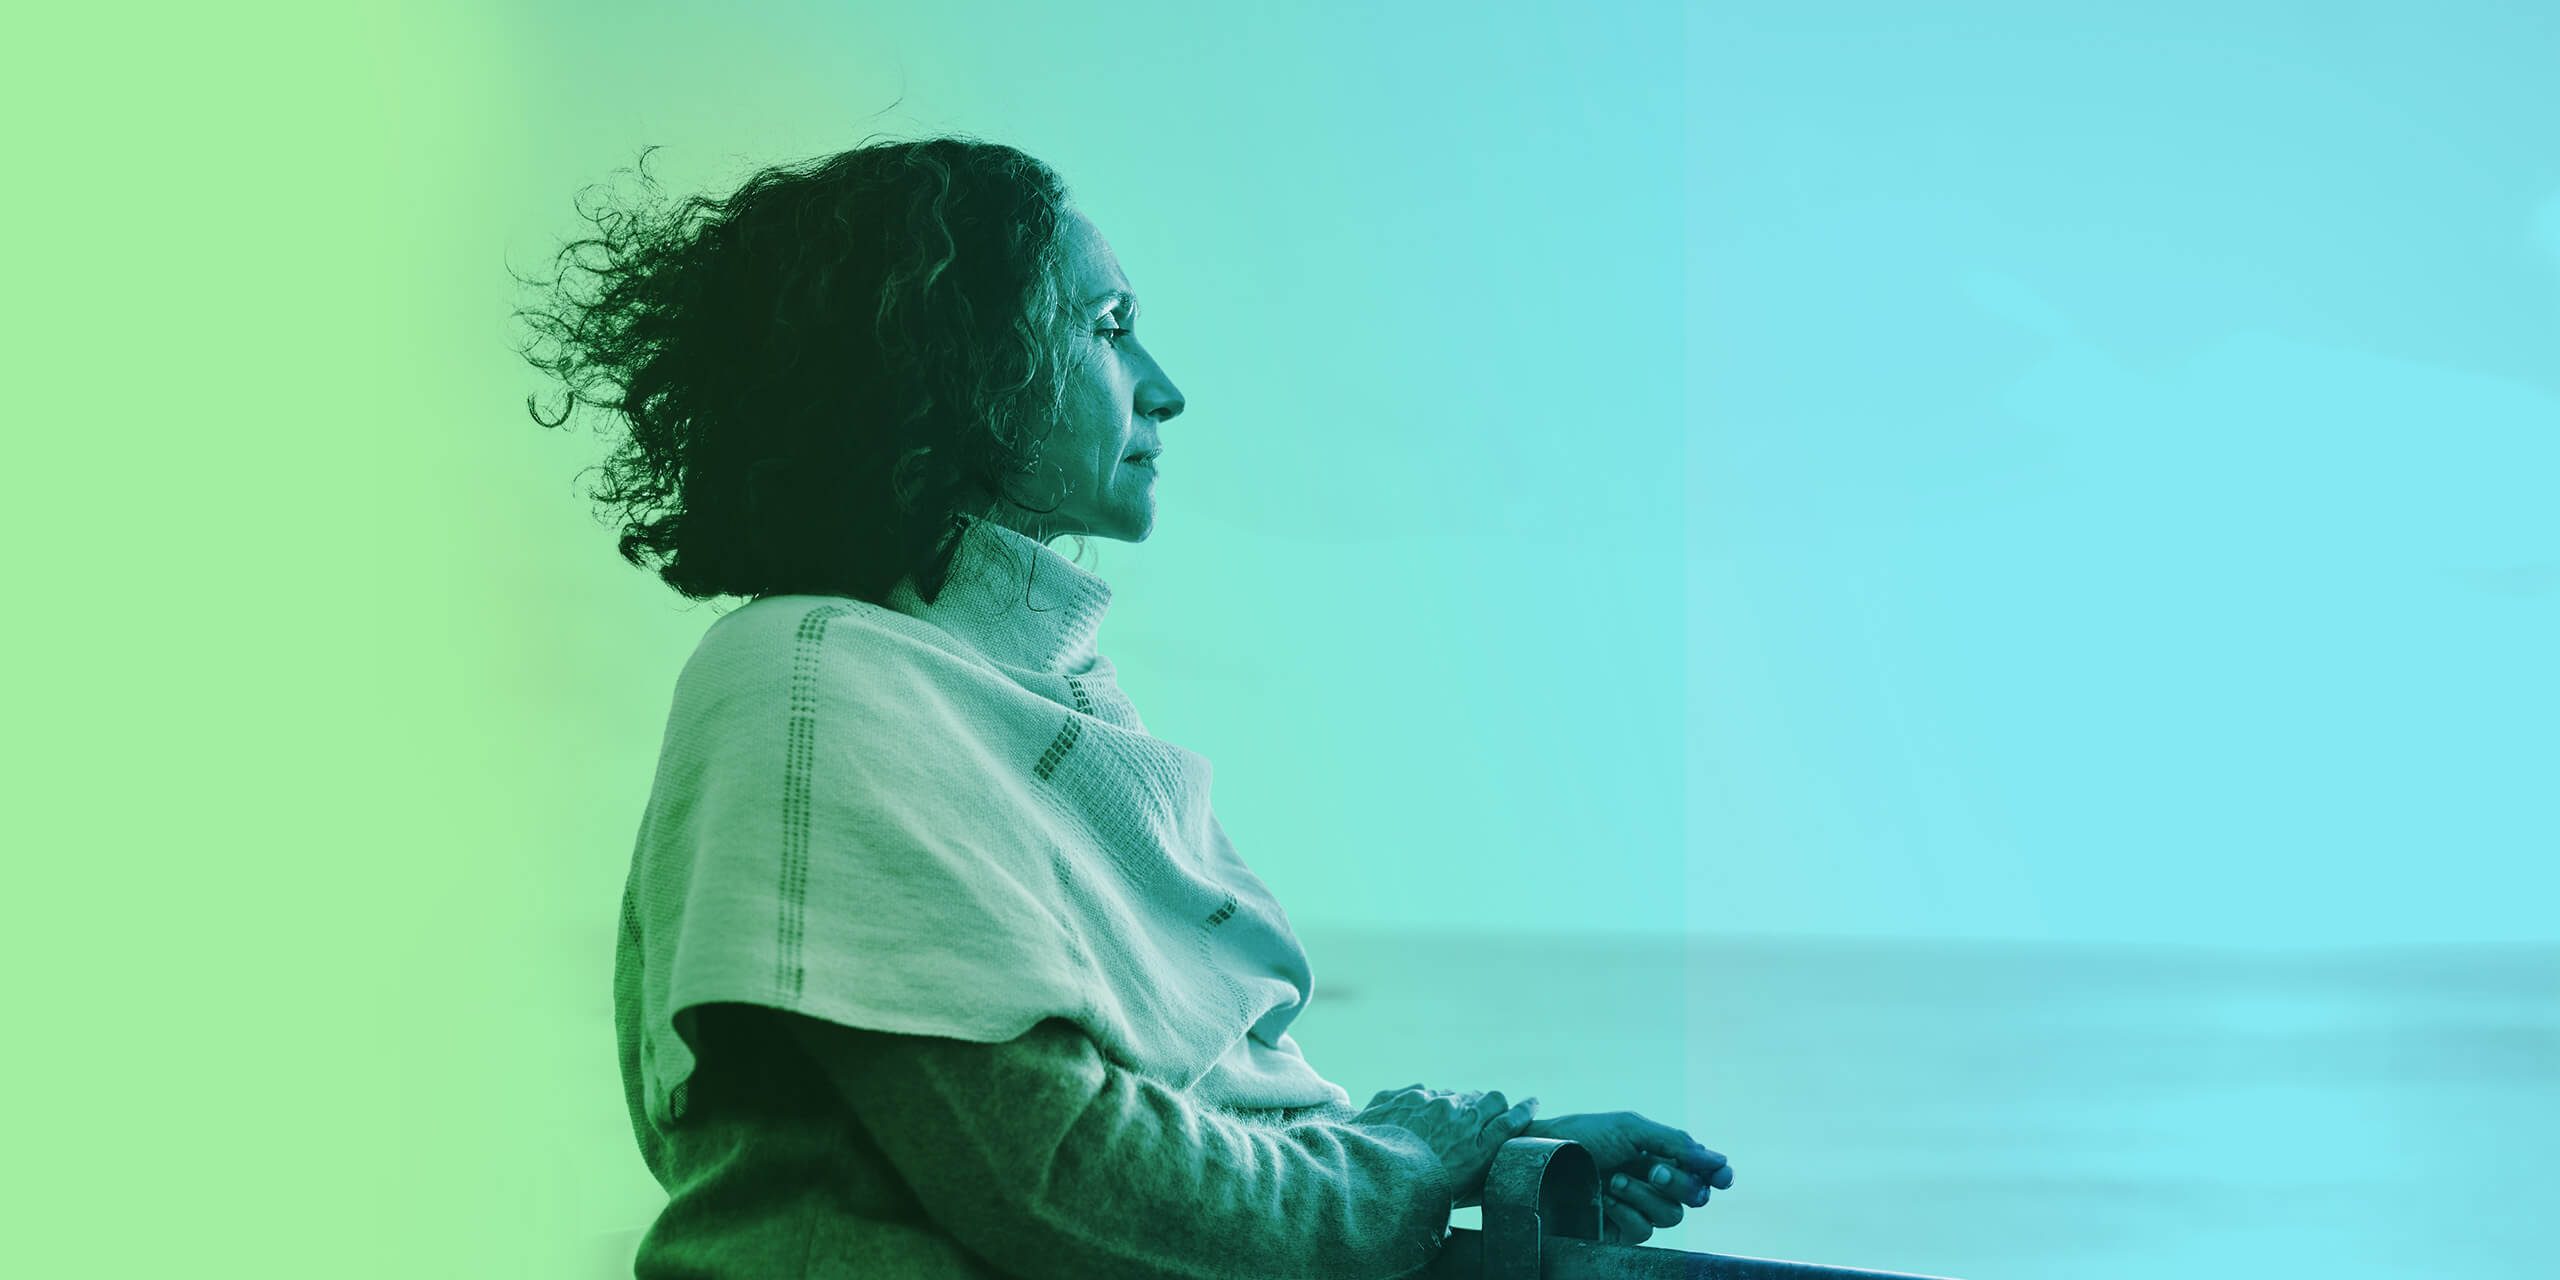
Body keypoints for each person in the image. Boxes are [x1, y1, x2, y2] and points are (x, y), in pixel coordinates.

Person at [515, 135, 1732, 1279]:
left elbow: (1182, 1132)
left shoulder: (1031, 695)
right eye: (1109, 327)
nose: (1164, 390)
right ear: (959, 365)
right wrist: (1415, 1157)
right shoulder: (813, 670)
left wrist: (1489, 1153)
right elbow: (1059, 1178)